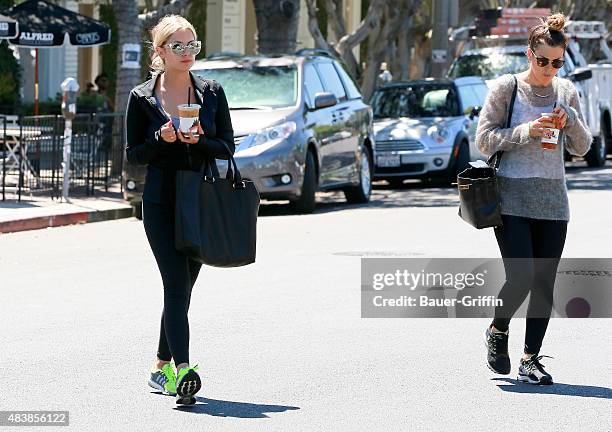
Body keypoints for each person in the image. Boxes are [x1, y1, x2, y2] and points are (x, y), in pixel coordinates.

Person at [476, 13, 591, 385]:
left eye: (557, 62)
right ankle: (497, 329)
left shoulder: (566, 91)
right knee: (521, 276)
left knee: (543, 282)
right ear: (529, 54)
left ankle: (530, 359)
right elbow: (485, 139)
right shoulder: (505, 88)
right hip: (511, 196)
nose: (549, 69)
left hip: (553, 200)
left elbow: (583, 148)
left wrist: (570, 119)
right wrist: (526, 130)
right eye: (543, 61)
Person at [124, 15, 235, 405]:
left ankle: (159, 367)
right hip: (159, 201)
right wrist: (161, 136)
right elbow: (133, 155)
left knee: (182, 289)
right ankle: (184, 371)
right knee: (174, 283)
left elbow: (228, 147)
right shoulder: (142, 98)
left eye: (193, 45)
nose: (187, 53)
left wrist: (201, 140)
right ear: (160, 52)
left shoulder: (212, 93)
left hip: (200, 202)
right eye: (178, 46)